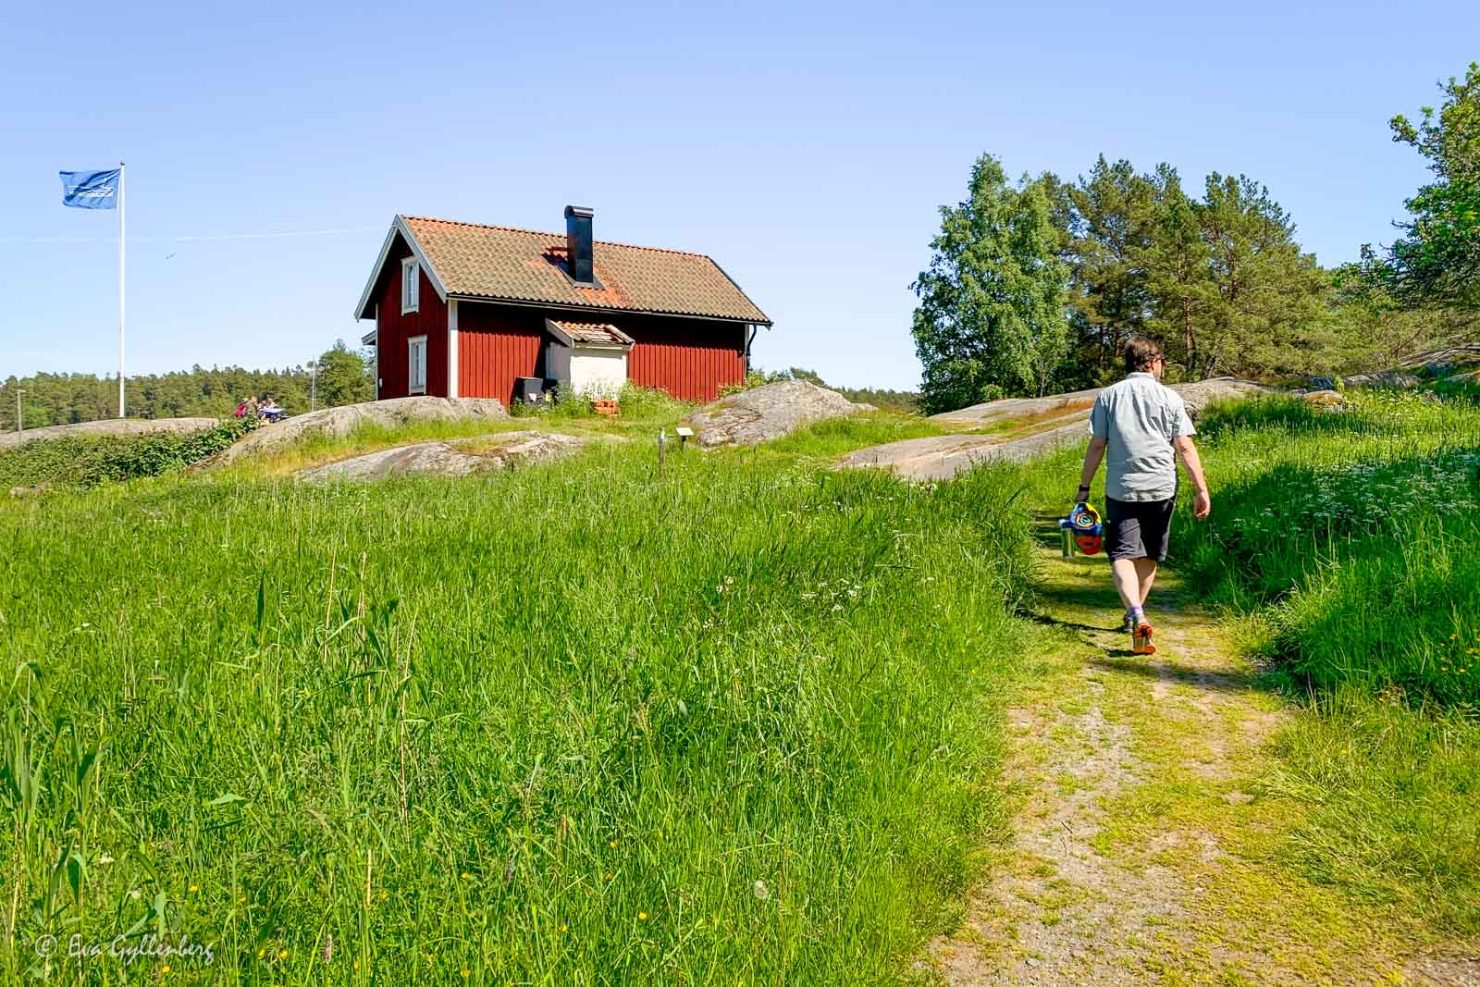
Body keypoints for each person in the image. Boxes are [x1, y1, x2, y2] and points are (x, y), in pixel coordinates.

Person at [1074, 337, 1211, 655]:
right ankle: (1135, 614)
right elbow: (1185, 446)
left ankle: (1135, 613)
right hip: (1161, 487)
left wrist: (1084, 488)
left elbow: (1097, 445)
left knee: (1121, 554)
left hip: (1121, 487)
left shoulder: (1108, 396)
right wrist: (1200, 489)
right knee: (1149, 555)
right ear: (1152, 362)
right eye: (1163, 361)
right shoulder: (1170, 398)